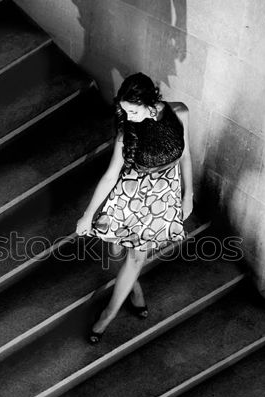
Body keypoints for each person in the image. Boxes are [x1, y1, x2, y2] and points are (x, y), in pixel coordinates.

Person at [75, 72, 193, 344]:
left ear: (150, 101)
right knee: (116, 249)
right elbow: (110, 174)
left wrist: (189, 193)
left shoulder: (179, 112)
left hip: (163, 196)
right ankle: (133, 286)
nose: (129, 116)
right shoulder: (126, 129)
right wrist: (88, 215)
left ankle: (107, 315)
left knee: (137, 256)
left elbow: (186, 154)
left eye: (133, 110)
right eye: (124, 111)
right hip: (131, 194)